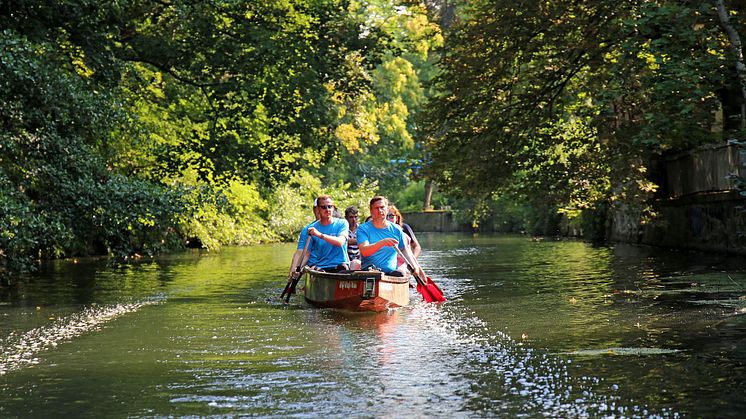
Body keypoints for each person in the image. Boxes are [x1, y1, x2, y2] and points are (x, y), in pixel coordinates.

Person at [357, 196, 423, 278]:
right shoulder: (363, 229)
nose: (380, 210)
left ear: (387, 209)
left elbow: (404, 249)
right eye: (376, 208)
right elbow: (364, 251)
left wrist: (414, 266)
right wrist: (382, 243)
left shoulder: (396, 229)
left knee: (401, 274)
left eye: (382, 207)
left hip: (390, 273)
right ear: (371, 211)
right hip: (369, 272)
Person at [304, 195, 350, 272]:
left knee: (344, 268)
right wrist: (298, 268)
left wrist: (319, 235)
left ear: (333, 208)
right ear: (318, 209)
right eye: (323, 207)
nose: (327, 209)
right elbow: (306, 253)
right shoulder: (311, 228)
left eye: (330, 206)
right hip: (320, 268)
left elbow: (340, 242)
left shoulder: (342, 223)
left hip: (340, 266)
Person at [288, 199, 320, 279]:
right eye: (318, 208)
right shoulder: (308, 230)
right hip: (315, 266)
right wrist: (292, 274)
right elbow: (300, 253)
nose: (320, 211)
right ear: (314, 210)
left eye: (325, 207)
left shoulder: (338, 226)